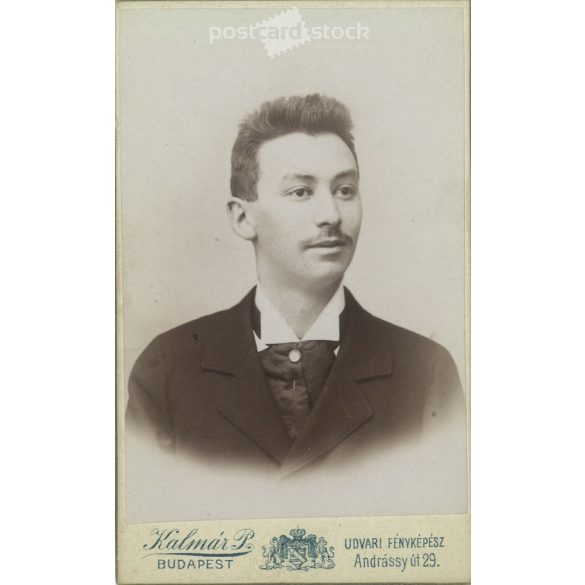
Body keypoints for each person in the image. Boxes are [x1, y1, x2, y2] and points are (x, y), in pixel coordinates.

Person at [126, 93, 466, 479]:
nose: (332, 215)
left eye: (345, 190)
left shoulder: (425, 371)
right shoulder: (168, 369)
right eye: (301, 191)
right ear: (242, 218)